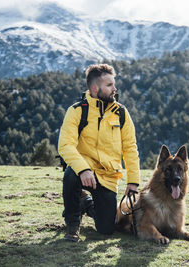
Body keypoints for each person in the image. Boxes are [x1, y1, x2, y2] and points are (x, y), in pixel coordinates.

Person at [57, 63, 140, 242]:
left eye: (114, 84)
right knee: (71, 175)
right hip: (84, 170)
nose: (114, 89)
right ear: (95, 88)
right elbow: (65, 145)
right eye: (109, 85)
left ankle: (85, 202)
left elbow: (130, 149)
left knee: (107, 229)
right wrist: (83, 169)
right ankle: (72, 225)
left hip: (108, 177)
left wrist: (133, 182)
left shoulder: (122, 113)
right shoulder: (77, 111)